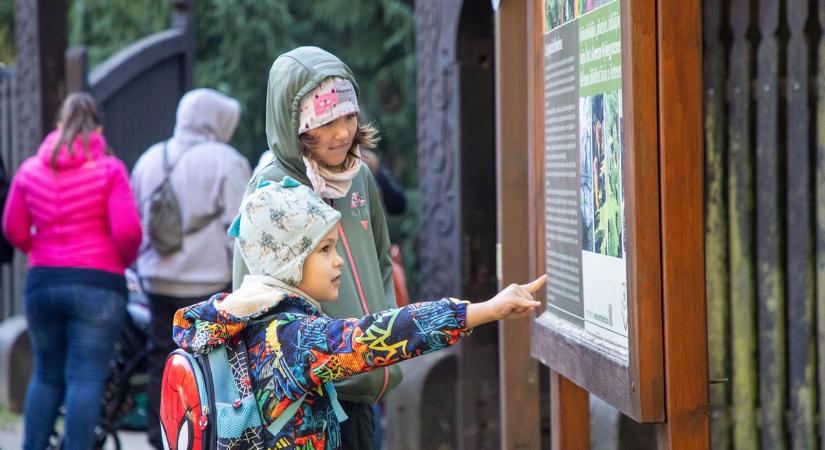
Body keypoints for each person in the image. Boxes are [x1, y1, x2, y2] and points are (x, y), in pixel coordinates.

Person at [172, 178, 545, 449]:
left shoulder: (236, 317)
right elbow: (382, 335)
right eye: (323, 250)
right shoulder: (292, 337)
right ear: (287, 258)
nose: (338, 262)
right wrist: (484, 310)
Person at [234, 46, 399, 449]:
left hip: (366, 381)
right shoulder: (271, 187)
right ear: (293, 125)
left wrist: (387, 336)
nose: (342, 132)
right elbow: (250, 296)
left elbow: (380, 260)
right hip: (311, 398)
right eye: (324, 122)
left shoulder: (359, 176)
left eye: (348, 116)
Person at [2, 92, 142, 450]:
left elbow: (13, 227)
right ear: (98, 126)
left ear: (59, 125)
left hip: (43, 282)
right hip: (98, 284)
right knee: (85, 377)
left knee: (47, 374)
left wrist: (40, 249)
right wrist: (118, 262)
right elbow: (127, 231)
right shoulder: (110, 170)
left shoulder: (31, 170)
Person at [131, 88, 251, 450]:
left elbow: (139, 217)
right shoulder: (226, 161)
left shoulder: (150, 158)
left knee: (160, 359)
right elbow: (240, 231)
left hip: (157, 280)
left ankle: (160, 436)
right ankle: (207, 437)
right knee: (211, 366)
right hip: (207, 284)